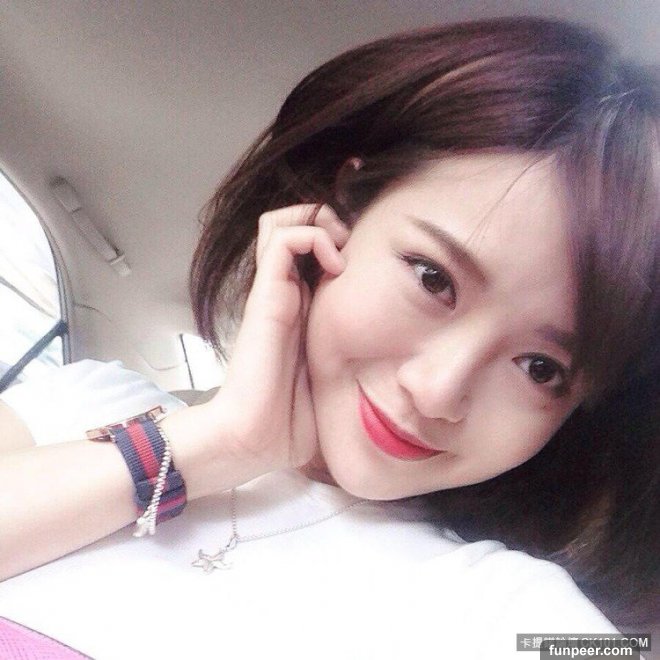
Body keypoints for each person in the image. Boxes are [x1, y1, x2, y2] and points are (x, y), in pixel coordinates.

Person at [0, 16, 657, 658]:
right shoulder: (78, 401)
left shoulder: (514, 612)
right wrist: (219, 443)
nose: (437, 392)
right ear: (342, 211)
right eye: (433, 278)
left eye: (541, 368)